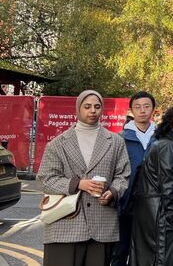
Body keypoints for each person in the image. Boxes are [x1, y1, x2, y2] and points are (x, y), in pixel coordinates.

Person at [37, 90, 131, 266]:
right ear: (78, 109)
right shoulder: (58, 143)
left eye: (97, 106)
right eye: (87, 106)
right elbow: (46, 178)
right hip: (64, 223)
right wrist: (78, 184)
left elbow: (123, 175)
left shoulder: (116, 142)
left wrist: (113, 192)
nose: (92, 110)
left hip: (101, 224)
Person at [131, 104, 173, 266]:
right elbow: (169, 188)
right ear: (172, 120)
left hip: (159, 218)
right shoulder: (168, 147)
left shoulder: (166, 144)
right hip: (164, 223)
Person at [113, 91, 157, 266]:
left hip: (153, 205)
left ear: (153, 109)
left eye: (147, 106)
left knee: (146, 252)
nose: (142, 111)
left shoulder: (161, 137)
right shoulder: (120, 139)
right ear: (131, 110)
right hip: (127, 202)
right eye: (137, 107)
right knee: (120, 251)